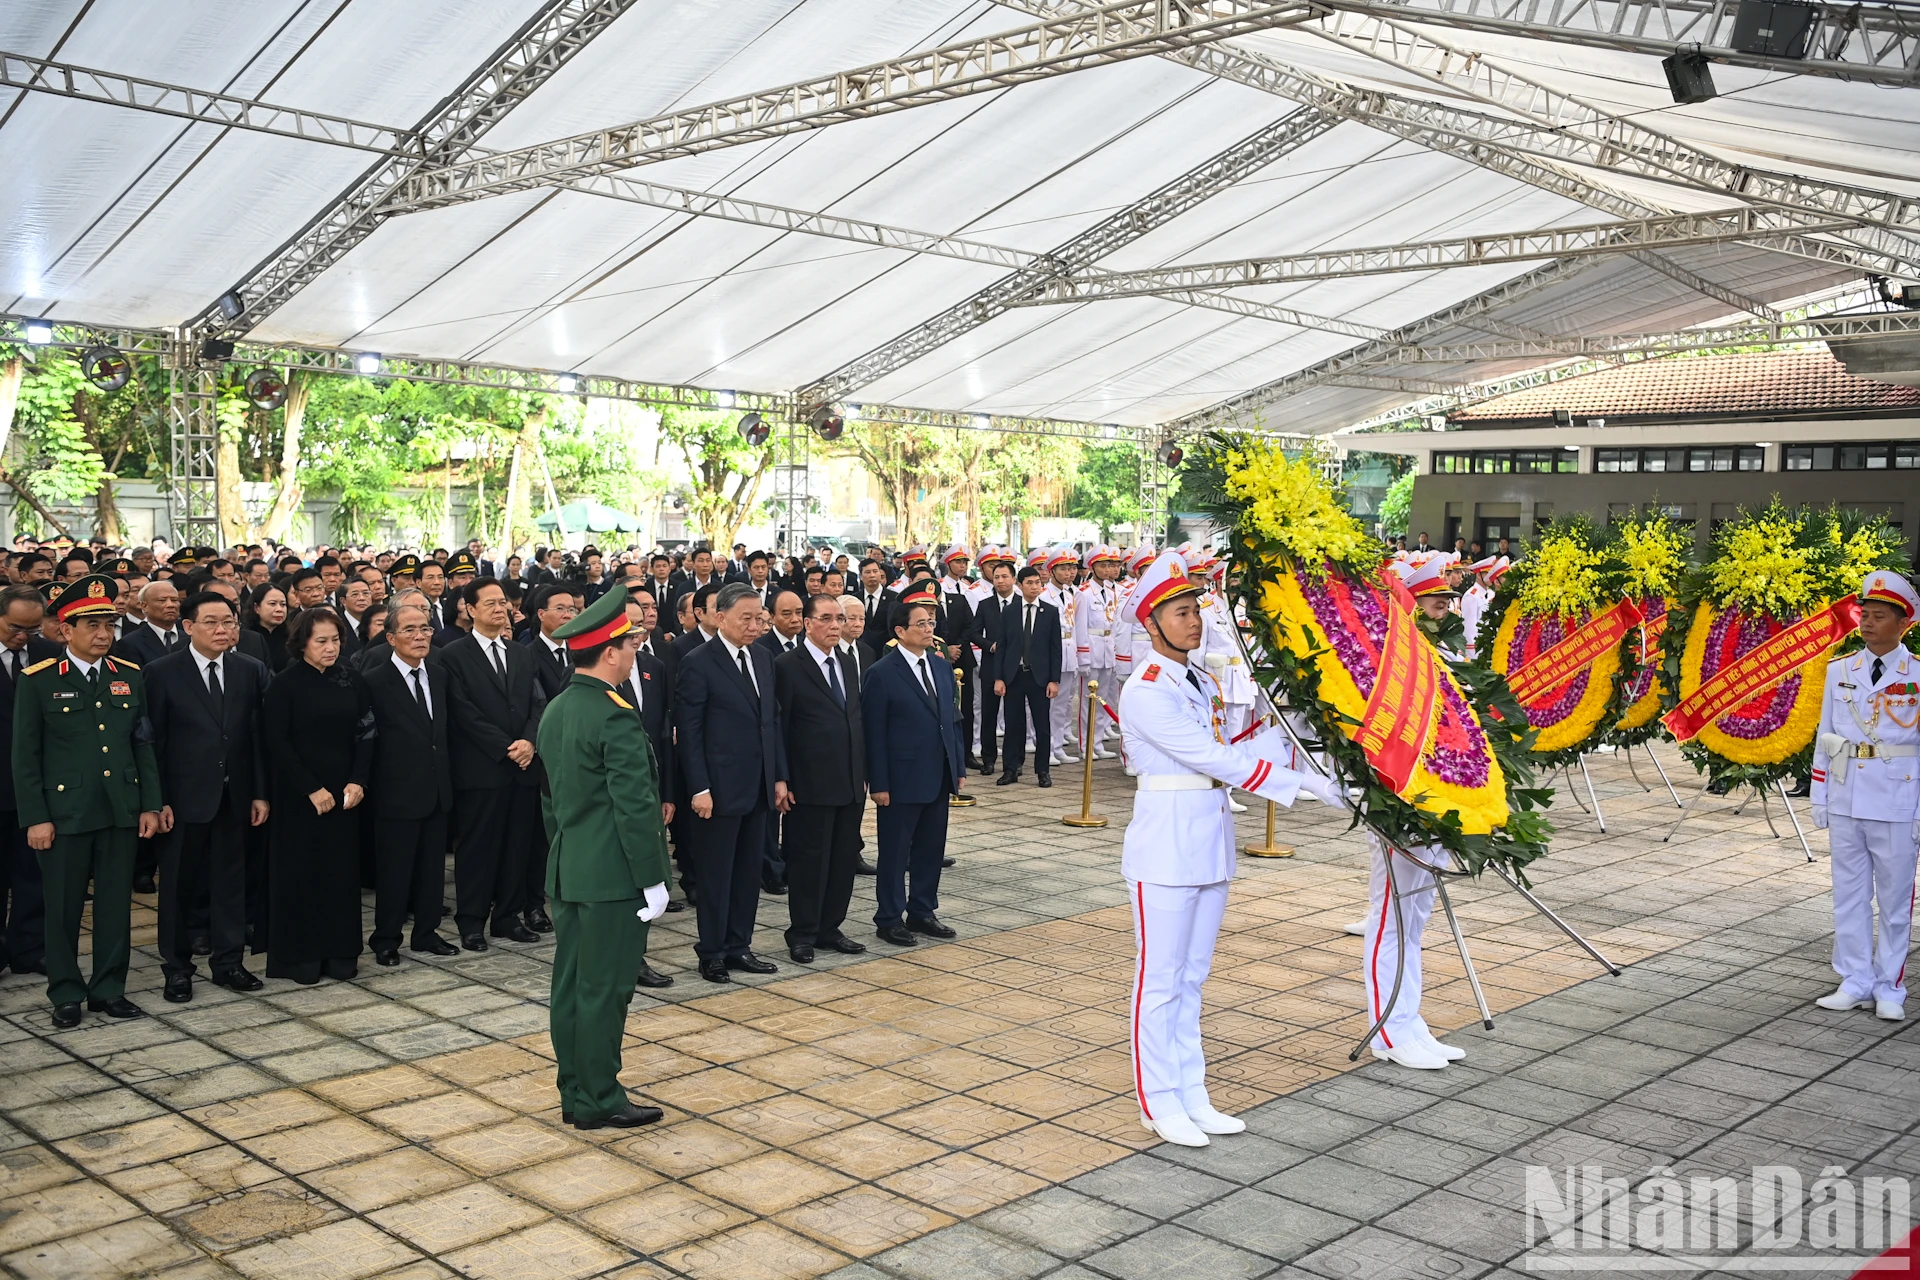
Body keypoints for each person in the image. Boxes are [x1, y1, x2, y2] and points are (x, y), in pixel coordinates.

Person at [1118, 553, 1342, 1145]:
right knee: (1160, 980)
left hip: (1210, 840)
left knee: (1192, 979)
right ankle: (1158, 1100)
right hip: (1166, 843)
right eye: (1181, 611)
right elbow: (1210, 756)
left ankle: (1193, 1093)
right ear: (1153, 621)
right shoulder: (1145, 689)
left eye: (1197, 610)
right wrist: (1302, 786)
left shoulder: (1202, 678)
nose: (1195, 621)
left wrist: (1313, 724)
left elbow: (1243, 741)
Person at [540, 585, 671, 1129]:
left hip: (570, 868)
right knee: (605, 990)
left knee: (572, 988)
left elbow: (553, 803)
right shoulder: (614, 716)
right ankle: (598, 1096)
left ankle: (575, 1089)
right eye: (632, 645)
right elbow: (635, 809)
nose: (635, 655)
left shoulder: (559, 708)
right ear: (610, 651)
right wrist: (655, 879)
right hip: (612, 876)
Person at [13, 575, 164, 1027]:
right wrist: (36, 818)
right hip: (65, 814)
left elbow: (143, 745)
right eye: (92, 626)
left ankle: (108, 989)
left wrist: (150, 805)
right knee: (62, 908)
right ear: (65, 630)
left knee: (117, 905)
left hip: (120, 808)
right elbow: (26, 756)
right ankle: (65, 992)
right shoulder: (38, 681)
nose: (103, 634)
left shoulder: (129, 676)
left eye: (108, 625)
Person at [146, 591, 271, 1003]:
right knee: (179, 886)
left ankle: (228, 962)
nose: (223, 630)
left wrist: (258, 792)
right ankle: (177, 968)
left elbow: (256, 737)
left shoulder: (249, 669)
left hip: (234, 796)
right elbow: (154, 743)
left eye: (230, 622)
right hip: (182, 801)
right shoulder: (162, 672)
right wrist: (157, 799)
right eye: (212, 623)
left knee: (231, 883)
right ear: (188, 627)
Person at [1811, 570, 1920, 1023]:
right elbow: (1826, 735)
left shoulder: (1916, 674)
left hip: (1899, 799)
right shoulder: (1840, 671)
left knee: (1895, 898)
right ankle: (1854, 979)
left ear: (1902, 623)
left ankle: (1890, 984)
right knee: (1849, 894)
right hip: (1846, 793)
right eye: (1865, 615)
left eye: (1879, 617)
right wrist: (1820, 795)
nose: (1868, 623)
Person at [675, 582, 791, 983]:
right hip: (718, 790)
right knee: (716, 876)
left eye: (759, 617)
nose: (755, 625)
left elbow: (771, 721)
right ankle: (712, 951)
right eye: (746, 618)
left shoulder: (762, 657)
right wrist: (699, 788)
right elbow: (689, 733)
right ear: (719, 617)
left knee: (747, 873)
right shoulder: (698, 662)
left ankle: (740, 945)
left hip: (758, 786)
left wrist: (778, 776)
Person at [262, 608, 372, 974]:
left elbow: (368, 733)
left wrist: (358, 780)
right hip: (300, 794)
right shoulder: (284, 683)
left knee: (341, 874)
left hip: (345, 793)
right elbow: (277, 742)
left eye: (335, 640)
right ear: (302, 643)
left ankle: (341, 952)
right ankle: (302, 955)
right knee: (303, 873)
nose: (330, 648)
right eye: (321, 641)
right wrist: (311, 788)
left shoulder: (352, 680)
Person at [441, 578, 548, 948]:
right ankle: (471, 921)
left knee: (517, 846)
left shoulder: (521, 652)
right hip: (482, 769)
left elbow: (538, 704)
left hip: (522, 768)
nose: (499, 609)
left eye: (502, 602)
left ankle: (507, 916)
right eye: (489, 603)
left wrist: (530, 741)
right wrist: (506, 746)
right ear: (469, 609)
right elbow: (462, 711)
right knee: (477, 849)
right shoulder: (453, 654)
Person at [862, 596, 965, 947]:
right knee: (895, 851)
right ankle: (889, 917)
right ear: (899, 631)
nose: (928, 629)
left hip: (937, 772)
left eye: (931, 623)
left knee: (930, 847)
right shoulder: (881, 673)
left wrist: (958, 766)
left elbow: (952, 719)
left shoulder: (939, 666)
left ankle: (922, 910)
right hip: (900, 777)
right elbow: (874, 733)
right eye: (920, 624)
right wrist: (879, 782)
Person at [774, 593, 868, 965]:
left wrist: (864, 772)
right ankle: (803, 932)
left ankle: (831, 927)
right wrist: (783, 779)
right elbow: (780, 727)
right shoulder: (787, 665)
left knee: (844, 859)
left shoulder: (847, 663)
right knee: (808, 861)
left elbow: (855, 719)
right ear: (808, 623)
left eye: (839, 619)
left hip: (848, 781)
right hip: (808, 784)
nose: (835, 626)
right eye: (826, 618)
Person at [363, 601, 457, 964]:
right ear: (390, 638)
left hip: (436, 789)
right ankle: (386, 939)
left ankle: (427, 933)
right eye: (410, 630)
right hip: (395, 792)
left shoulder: (438, 674)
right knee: (394, 872)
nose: (420, 637)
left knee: (433, 869)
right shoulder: (374, 680)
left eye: (426, 629)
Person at [0, 587, 60, 979]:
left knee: (32, 875)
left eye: (32, 629)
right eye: (14, 628)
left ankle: (28, 950)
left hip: (35, 788)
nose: (22, 637)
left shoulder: (48, 656)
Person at [987, 568, 1062, 788]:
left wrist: (1054, 680)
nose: (1034, 586)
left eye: (1037, 582)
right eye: (1029, 583)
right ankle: (1010, 768)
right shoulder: (1009, 612)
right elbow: (1002, 646)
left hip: (1039, 677)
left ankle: (1043, 771)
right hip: (1014, 675)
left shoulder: (1049, 612)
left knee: (1042, 725)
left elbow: (1055, 649)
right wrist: (999, 678)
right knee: (1013, 724)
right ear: (1019, 585)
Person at [113, 580, 183, 664]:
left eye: (174, 600)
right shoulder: (130, 643)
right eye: (162, 600)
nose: (170, 605)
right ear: (144, 606)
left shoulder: (190, 639)